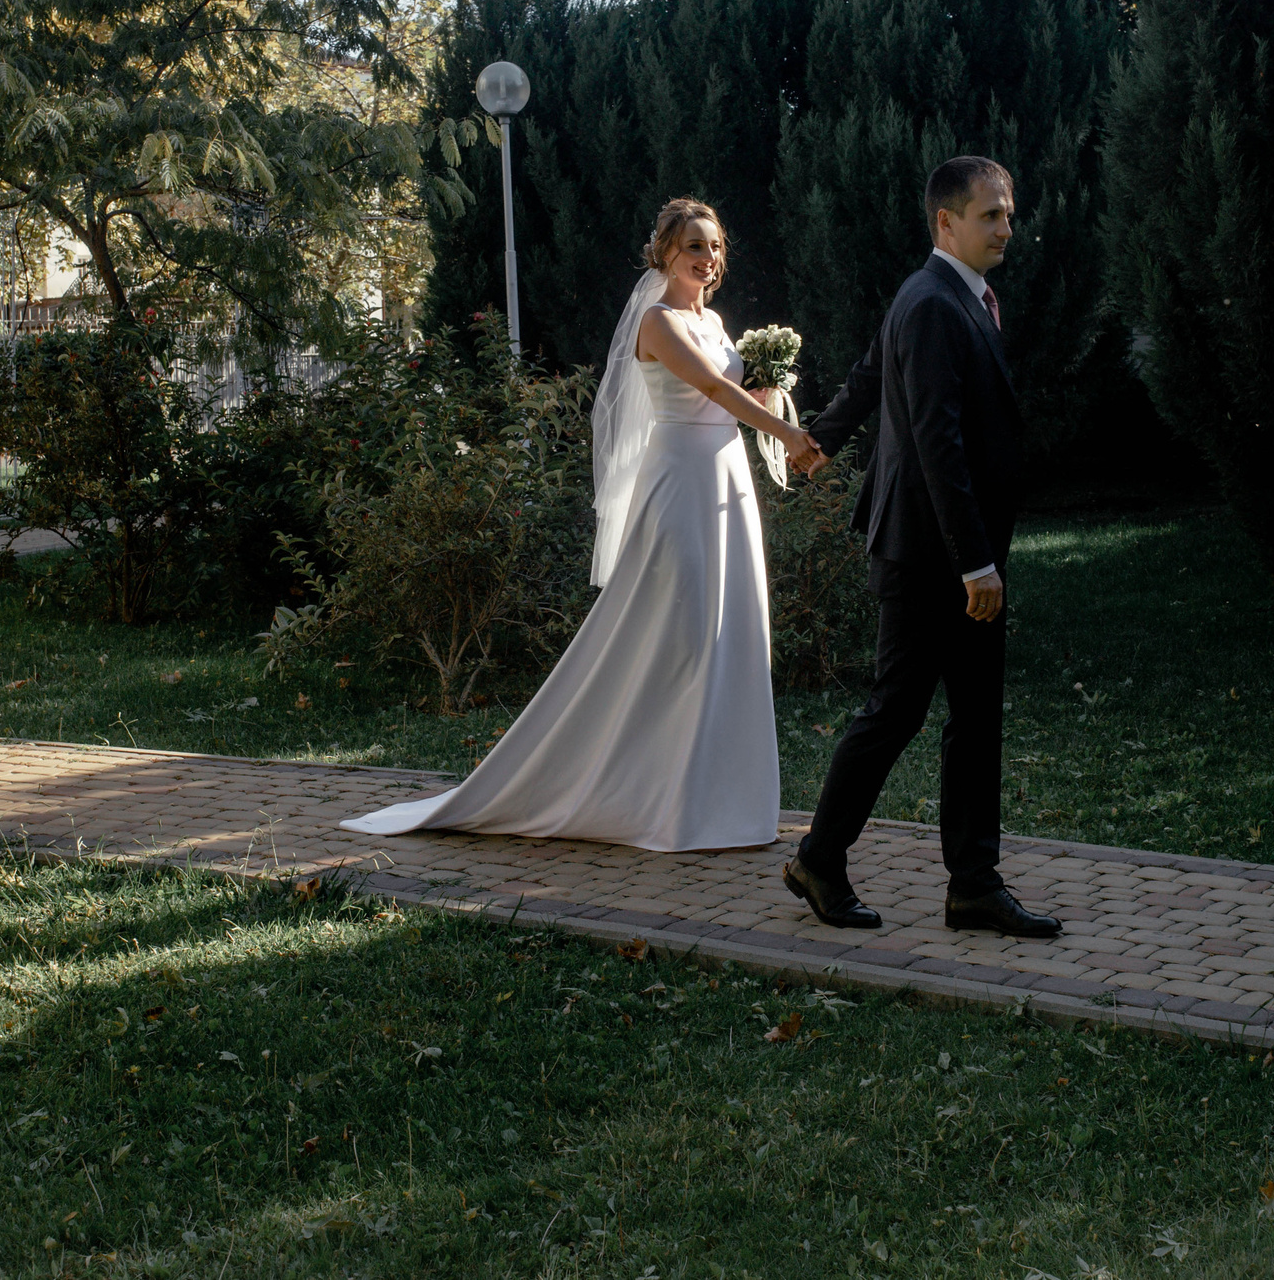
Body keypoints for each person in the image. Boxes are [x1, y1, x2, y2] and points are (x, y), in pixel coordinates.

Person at [341, 199, 824, 852]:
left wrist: (770, 392)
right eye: (693, 248)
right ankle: (663, 800)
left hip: (727, 483)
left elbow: (734, 393)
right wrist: (788, 432)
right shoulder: (657, 323)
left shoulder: (712, 320)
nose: (707, 259)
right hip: (680, 483)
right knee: (679, 629)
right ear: (665, 255)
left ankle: (723, 800)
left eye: (714, 248)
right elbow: (711, 390)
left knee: (729, 629)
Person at [780, 157, 1060, 937]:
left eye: (1008, 213)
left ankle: (973, 883)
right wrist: (976, 561)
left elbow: (873, 373)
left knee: (974, 716)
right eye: (990, 215)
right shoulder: (936, 302)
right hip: (931, 551)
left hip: (947, 545)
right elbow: (938, 440)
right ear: (947, 222)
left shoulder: (933, 293)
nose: (1006, 226)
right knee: (895, 711)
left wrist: (823, 438)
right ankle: (819, 860)